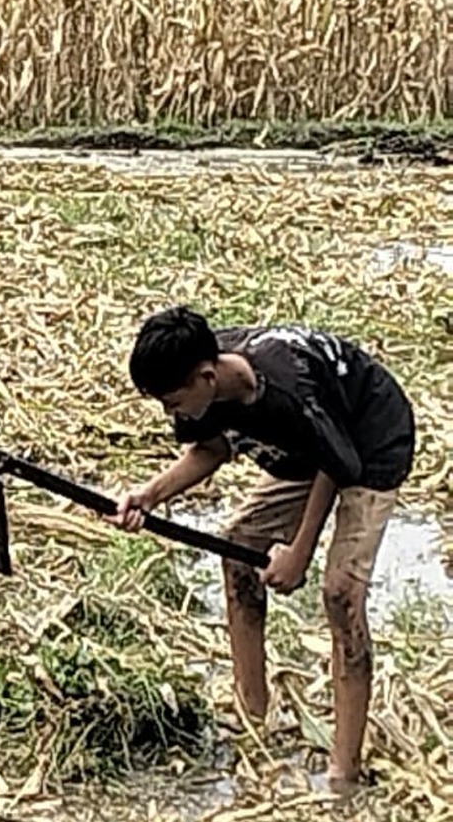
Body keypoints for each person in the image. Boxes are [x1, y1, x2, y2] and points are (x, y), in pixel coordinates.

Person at [112, 305, 416, 792]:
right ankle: (251, 711)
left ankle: (345, 771)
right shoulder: (204, 385)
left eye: (172, 402)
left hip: (369, 437)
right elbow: (210, 450)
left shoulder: (286, 388)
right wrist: (149, 494)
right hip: (309, 449)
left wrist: (299, 551)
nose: (170, 414)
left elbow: (337, 463)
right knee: (237, 551)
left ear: (206, 376)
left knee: (340, 595)